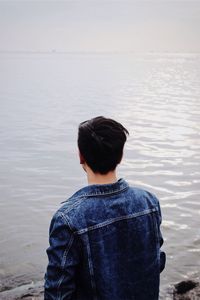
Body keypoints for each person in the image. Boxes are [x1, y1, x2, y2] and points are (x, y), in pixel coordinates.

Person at [44, 116, 166, 300]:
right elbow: (157, 263)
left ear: (80, 156)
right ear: (121, 155)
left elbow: (58, 293)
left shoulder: (68, 219)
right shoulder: (149, 203)